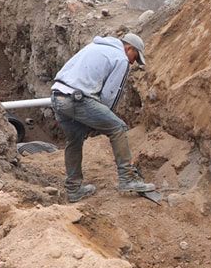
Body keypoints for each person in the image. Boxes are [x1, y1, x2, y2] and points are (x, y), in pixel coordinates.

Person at [50, 33, 156, 202]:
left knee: (75, 140)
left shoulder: (95, 46)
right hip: (76, 99)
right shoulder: (121, 59)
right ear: (129, 48)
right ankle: (127, 179)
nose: (132, 63)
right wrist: (103, 120)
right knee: (118, 128)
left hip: (58, 96)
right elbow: (109, 96)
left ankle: (73, 189)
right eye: (135, 57)